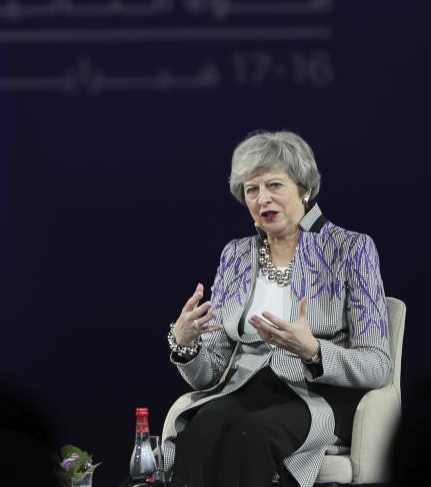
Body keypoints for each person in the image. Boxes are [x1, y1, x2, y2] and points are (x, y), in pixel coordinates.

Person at [162, 131, 392, 487]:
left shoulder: (352, 249)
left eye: (274, 185)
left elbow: (378, 365)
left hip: (320, 396)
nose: (262, 198)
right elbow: (212, 371)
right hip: (250, 388)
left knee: (251, 434)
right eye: (252, 190)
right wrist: (185, 343)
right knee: (203, 427)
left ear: (305, 189)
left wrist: (314, 351)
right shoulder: (236, 255)